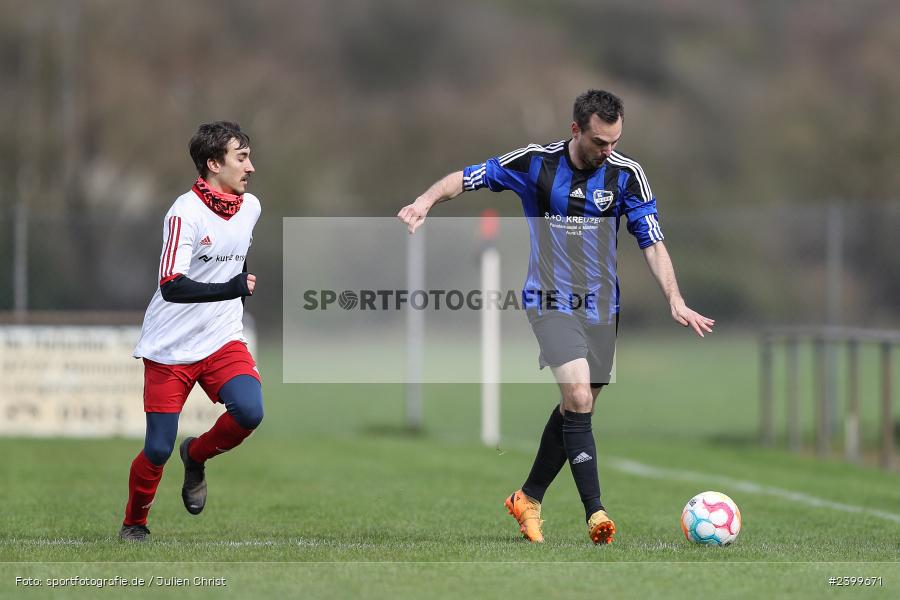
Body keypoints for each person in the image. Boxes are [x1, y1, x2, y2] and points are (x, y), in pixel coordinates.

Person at [397, 89, 714, 545]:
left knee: (576, 407)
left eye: (615, 141)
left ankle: (528, 496)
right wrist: (425, 201)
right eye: (600, 142)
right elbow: (466, 178)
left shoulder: (628, 175)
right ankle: (596, 513)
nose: (609, 151)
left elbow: (652, 239)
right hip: (550, 301)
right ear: (575, 130)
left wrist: (675, 299)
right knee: (579, 395)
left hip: (603, 309)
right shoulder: (534, 163)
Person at [119, 121, 263, 542]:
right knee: (158, 448)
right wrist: (232, 287)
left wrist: (234, 285)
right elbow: (171, 284)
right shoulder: (184, 212)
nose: (251, 167)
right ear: (213, 163)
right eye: (241, 157)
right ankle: (135, 522)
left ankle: (196, 455)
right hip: (170, 347)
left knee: (251, 411)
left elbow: (229, 259)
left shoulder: (251, 207)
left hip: (222, 338)